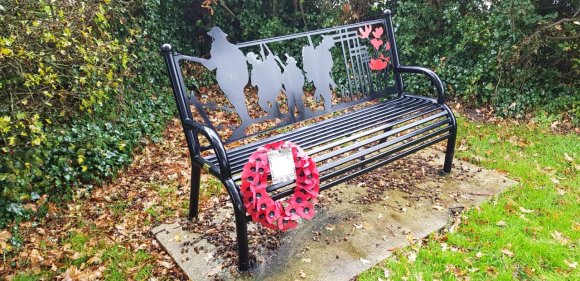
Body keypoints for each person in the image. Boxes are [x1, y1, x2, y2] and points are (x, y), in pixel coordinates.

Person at [192, 27, 251, 134]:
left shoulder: (217, 48)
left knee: (236, 100)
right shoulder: (231, 47)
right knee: (238, 99)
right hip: (237, 78)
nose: (213, 40)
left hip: (229, 79)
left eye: (214, 38)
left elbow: (212, 65)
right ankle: (246, 120)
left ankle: (246, 120)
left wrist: (197, 59)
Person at [302, 35, 337, 112]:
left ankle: (320, 101)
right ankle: (327, 109)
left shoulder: (324, 51)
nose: (331, 47)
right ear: (327, 43)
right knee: (327, 94)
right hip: (319, 76)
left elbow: (328, 66)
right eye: (330, 45)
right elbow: (322, 67)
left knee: (324, 92)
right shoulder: (320, 51)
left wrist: (332, 82)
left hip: (323, 75)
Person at [246, 49, 283, 117]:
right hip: (262, 89)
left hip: (269, 86)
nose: (250, 61)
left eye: (250, 60)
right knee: (262, 103)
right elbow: (254, 83)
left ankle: (277, 114)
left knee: (272, 100)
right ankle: (274, 113)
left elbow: (270, 73)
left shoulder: (263, 63)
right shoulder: (253, 70)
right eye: (249, 60)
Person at [279, 54, 306, 120]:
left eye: (292, 63)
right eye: (290, 64)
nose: (291, 65)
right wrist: (286, 83)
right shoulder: (286, 71)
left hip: (296, 89)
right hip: (289, 90)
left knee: (299, 102)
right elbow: (282, 80)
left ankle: (303, 116)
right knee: (291, 104)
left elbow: (302, 79)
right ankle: (292, 117)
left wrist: (299, 86)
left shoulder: (297, 70)